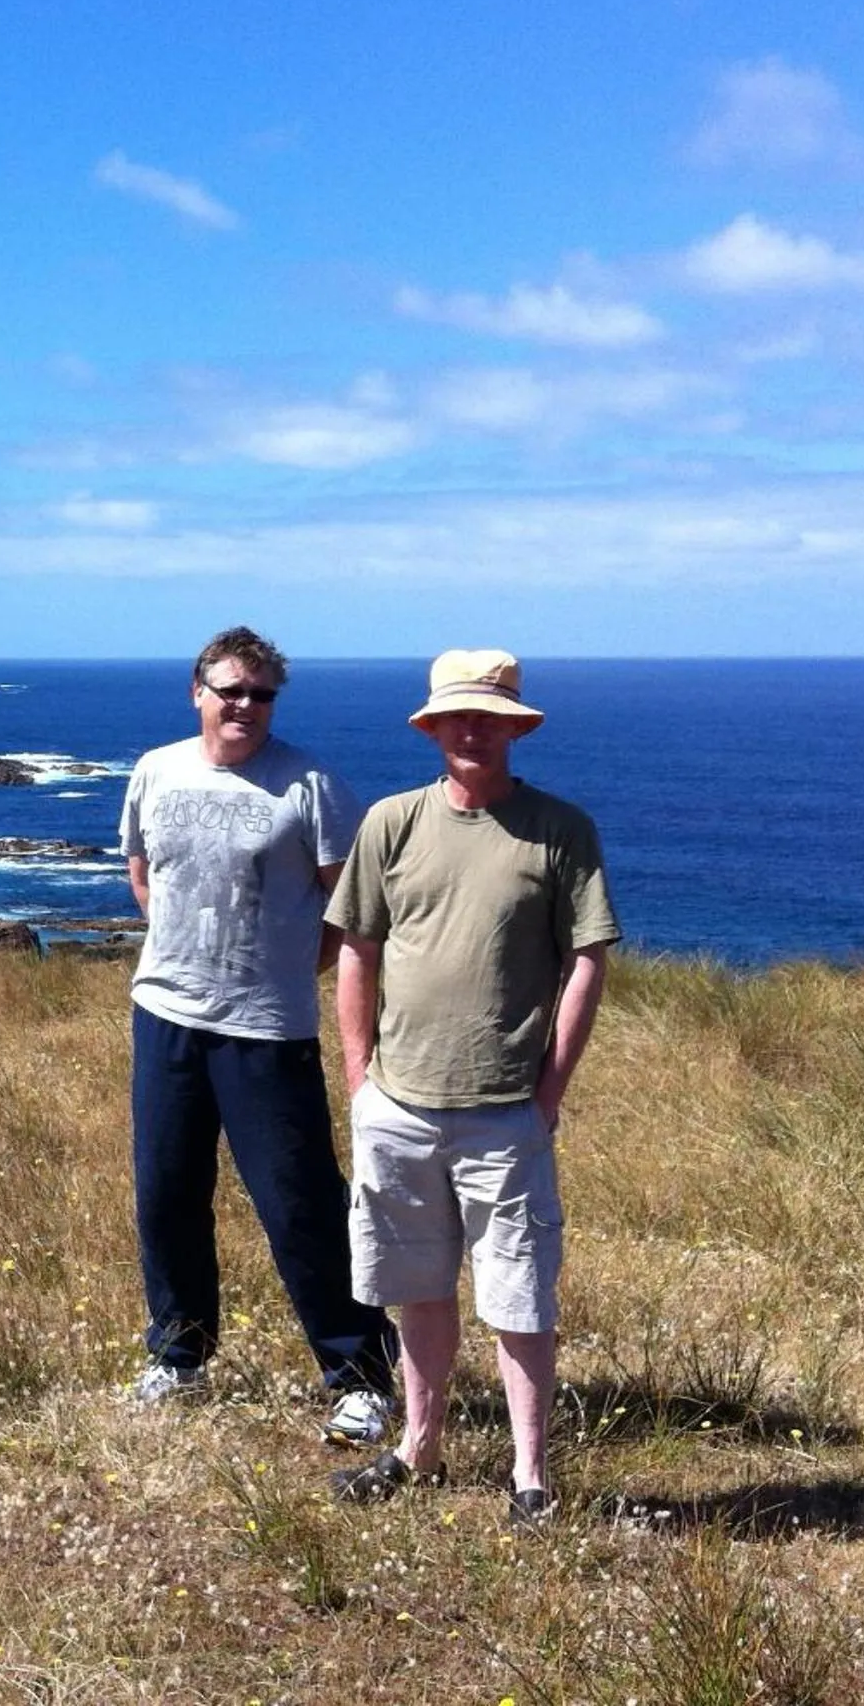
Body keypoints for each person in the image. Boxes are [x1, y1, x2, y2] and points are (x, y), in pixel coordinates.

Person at [322, 648, 618, 1523]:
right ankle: (419, 1448)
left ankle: (531, 1474)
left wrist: (550, 1090)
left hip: (503, 1115)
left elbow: (586, 961)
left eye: (489, 715)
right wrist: (358, 1080)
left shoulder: (560, 830)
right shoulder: (392, 822)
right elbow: (356, 949)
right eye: (458, 715)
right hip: (399, 1107)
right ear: (434, 726)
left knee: (519, 1294)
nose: (472, 729)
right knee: (418, 1284)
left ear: (514, 726)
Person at [118, 625, 402, 1446]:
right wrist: (185, 956)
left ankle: (358, 1371)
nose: (246, 705)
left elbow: (350, 909)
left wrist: (286, 969)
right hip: (165, 1014)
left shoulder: (308, 784)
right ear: (197, 691)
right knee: (166, 1192)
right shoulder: (155, 770)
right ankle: (178, 1354)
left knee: (299, 1202)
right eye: (231, 689)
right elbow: (144, 874)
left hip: (266, 1027)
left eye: (262, 693)